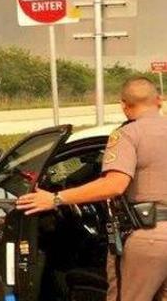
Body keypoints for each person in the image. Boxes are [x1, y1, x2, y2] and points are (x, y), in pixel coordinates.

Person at [17, 76, 167, 301]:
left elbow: (114, 185)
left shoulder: (128, 134)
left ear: (124, 106)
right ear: (160, 100)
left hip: (148, 238)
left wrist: (56, 198)